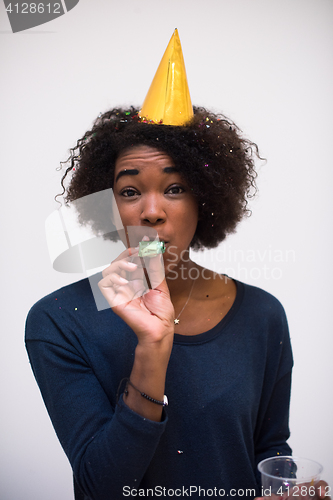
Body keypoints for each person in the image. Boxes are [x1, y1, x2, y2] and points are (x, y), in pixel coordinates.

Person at [25, 31, 329, 500]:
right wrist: (152, 347)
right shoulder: (60, 322)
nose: (151, 211)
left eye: (174, 188)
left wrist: (286, 491)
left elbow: (269, 453)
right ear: (109, 207)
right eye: (129, 191)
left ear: (205, 202)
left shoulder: (263, 316)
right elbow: (100, 487)